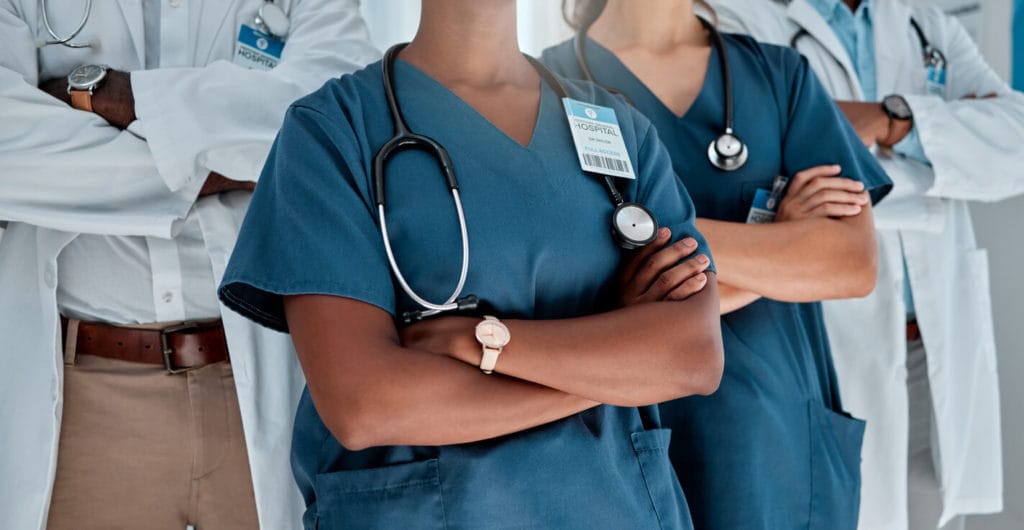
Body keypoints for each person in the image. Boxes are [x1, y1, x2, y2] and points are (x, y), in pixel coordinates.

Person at [218, 0, 727, 528]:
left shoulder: (620, 128)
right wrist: (620, 366)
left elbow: (691, 358)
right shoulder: (333, 131)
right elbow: (364, 405)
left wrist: (482, 341)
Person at [0, 1, 378, 528]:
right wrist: (229, 166)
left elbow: (341, 120)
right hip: (89, 402)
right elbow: (8, 151)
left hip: (261, 383)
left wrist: (115, 95)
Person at [544, 1, 893, 528]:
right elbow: (570, 279)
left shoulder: (778, 76)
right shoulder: (542, 88)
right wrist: (780, 243)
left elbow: (850, 262)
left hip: (775, 447)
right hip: (628, 449)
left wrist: (637, 232)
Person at [706, 0, 1024, 528]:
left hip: (933, 347)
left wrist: (890, 118)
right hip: (832, 345)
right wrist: (941, 158)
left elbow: (1016, 142)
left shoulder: (928, 25)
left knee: (933, 510)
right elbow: (770, 170)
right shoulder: (742, 21)